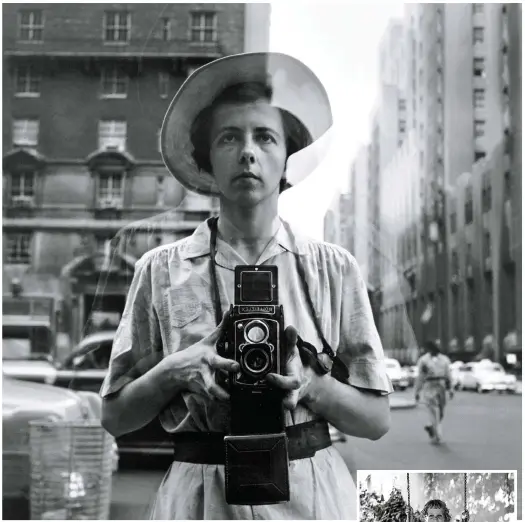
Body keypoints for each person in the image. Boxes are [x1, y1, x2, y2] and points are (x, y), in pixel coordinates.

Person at [99, 52, 393, 520]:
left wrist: (311, 386)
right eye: (229, 137)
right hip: (198, 497)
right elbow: (114, 416)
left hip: (311, 497)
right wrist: (177, 370)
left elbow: (376, 421)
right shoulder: (158, 270)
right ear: (207, 158)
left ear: (285, 157)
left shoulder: (333, 269)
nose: (248, 151)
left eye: (265, 136)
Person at [415, 340, 453, 444]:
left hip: (440, 384)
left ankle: (431, 426)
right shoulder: (423, 360)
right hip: (429, 385)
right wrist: (417, 391)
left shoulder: (444, 359)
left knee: (441, 411)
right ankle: (437, 435)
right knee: (432, 410)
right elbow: (420, 377)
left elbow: (448, 375)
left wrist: (450, 389)